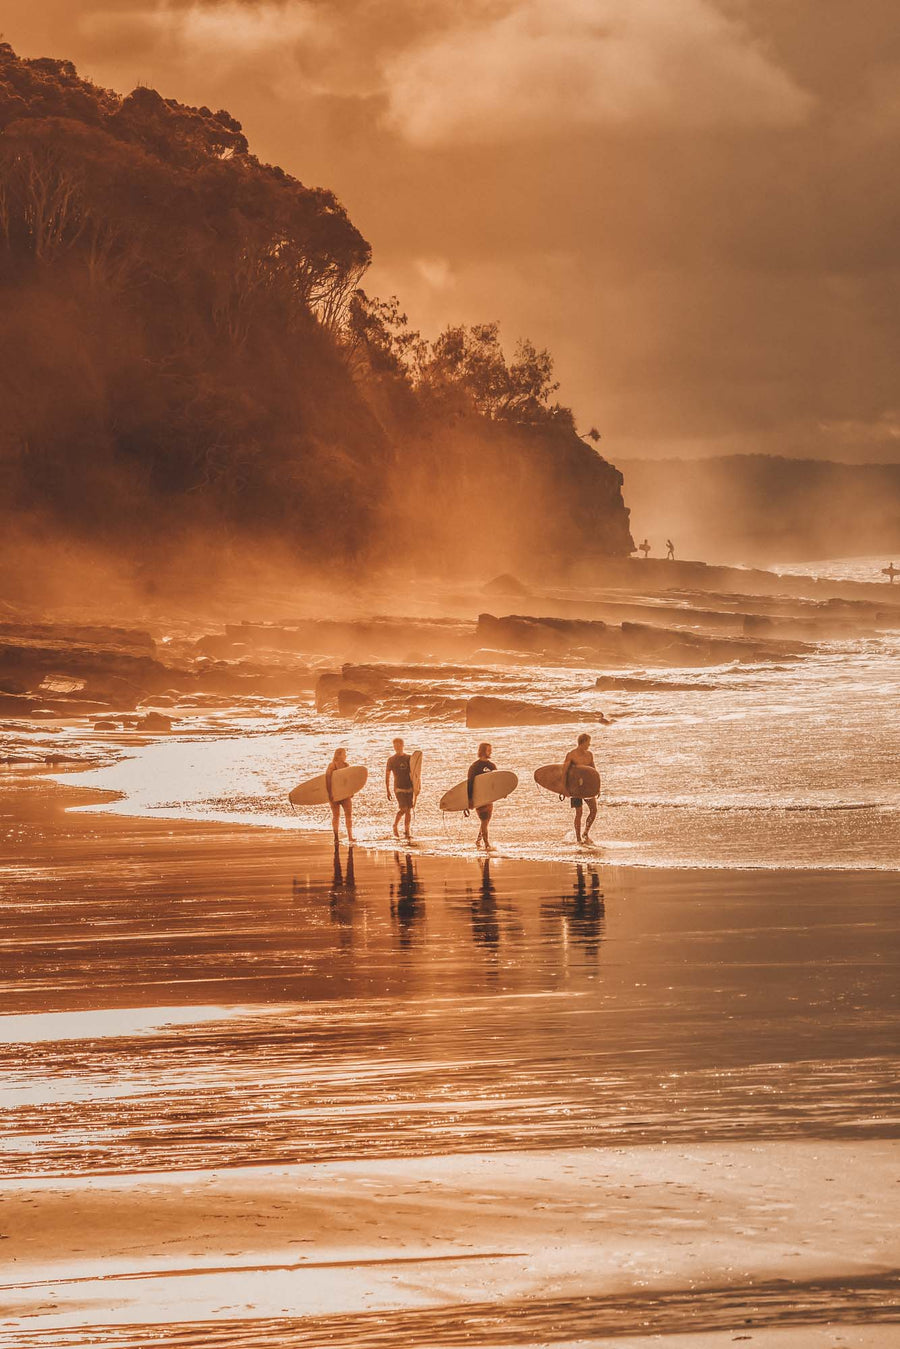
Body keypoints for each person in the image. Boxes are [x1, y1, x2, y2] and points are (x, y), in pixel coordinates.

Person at [564, 732, 600, 845]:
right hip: (574, 787)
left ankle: (585, 833)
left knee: (593, 810)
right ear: (583, 742)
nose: (589, 745)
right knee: (579, 812)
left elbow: (594, 771)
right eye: (588, 743)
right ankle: (578, 838)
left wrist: (597, 787)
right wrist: (564, 789)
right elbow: (564, 772)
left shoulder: (589, 755)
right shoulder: (571, 755)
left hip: (587, 787)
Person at [467, 741, 497, 850]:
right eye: (489, 750)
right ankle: (487, 844)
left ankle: (478, 840)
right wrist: (470, 799)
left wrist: (502, 793)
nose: (491, 752)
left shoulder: (491, 765)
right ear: (483, 751)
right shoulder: (474, 766)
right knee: (484, 820)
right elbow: (470, 783)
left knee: (486, 821)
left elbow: (496, 782)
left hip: (489, 798)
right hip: (478, 797)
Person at [385, 737, 415, 840]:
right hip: (398, 787)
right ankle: (395, 825)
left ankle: (407, 831)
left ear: (403, 745)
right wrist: (388, 790)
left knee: (408, 811)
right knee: (403, 809)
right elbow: (387, 775)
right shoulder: (391, 760)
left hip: (409, 786)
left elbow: (415, 774)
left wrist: (417, 787)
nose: (397, 747)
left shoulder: (409, 758)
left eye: (398, 745)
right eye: (395, 746)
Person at [326, 747, 355, 844]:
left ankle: (350, 836)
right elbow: (328, 778)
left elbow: (349, 780)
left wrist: (351, 791)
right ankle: (336, 836)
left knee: (348, 815)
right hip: (334, 794)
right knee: (336, 816)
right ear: (338, 755)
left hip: (344, 794)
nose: (345, 755)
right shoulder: (332, 765)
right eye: (344, 754)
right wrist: (330, 793)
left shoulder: (346, 765)